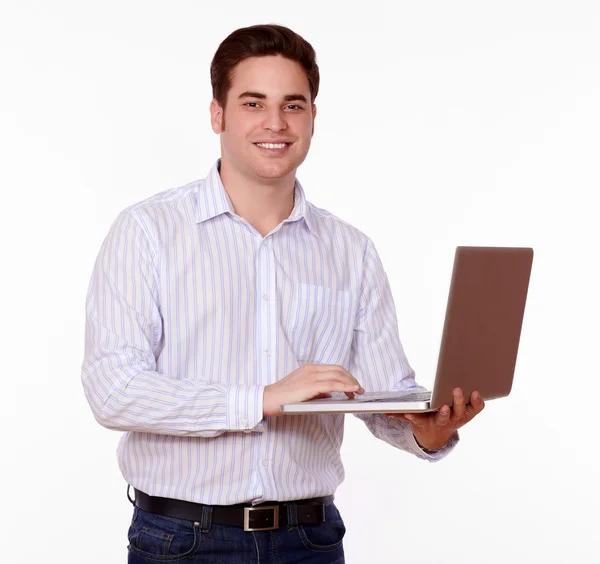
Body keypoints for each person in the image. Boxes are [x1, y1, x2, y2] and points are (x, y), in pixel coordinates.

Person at [81, 23, 484, 564]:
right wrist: (260, 398)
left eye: (293, 105)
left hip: (310, 541)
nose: (275, 123)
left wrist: (428, 431)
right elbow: (114, 389)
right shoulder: (147, 233)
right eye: (253, 103)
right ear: (217, 114)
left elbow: (381, 393)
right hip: (182, 541)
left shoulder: (351, 251)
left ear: (313, 117)